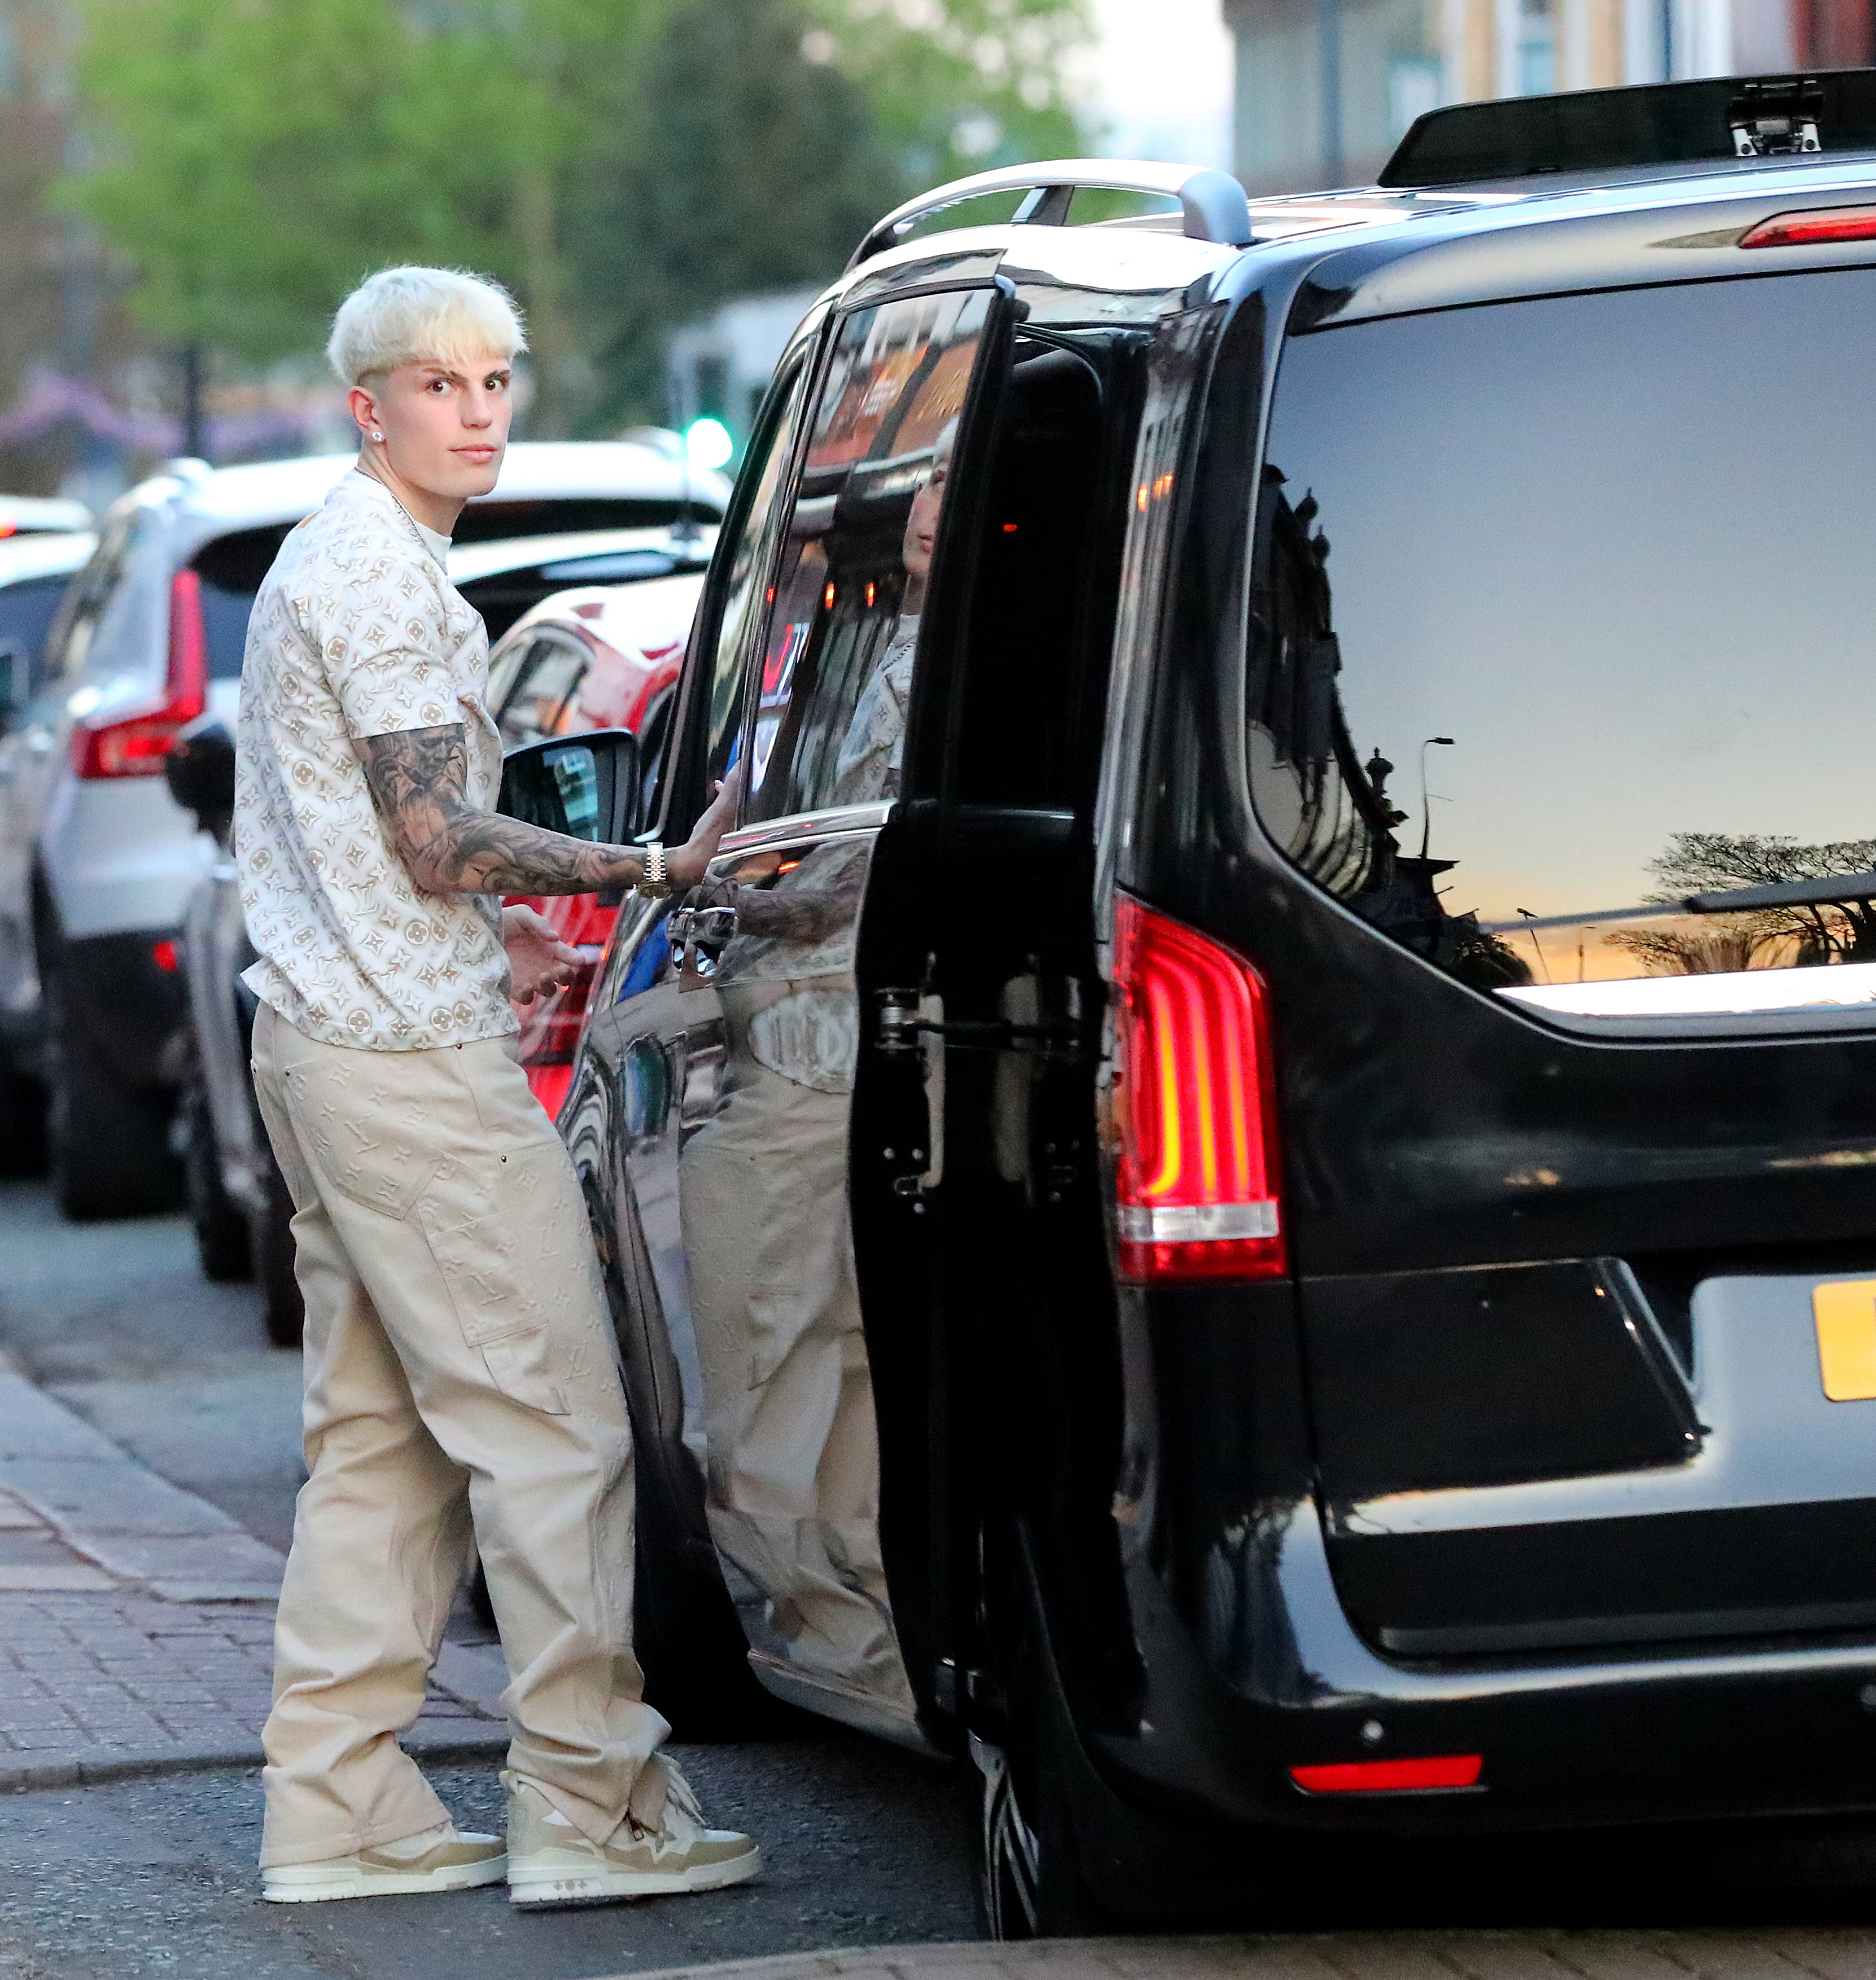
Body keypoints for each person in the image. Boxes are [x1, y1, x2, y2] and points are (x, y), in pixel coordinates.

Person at [234, 265, 753, 1908]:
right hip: (403, 1072)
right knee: (557, 1427)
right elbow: (433, 834)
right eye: (438, 385)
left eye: (495, 380)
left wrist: (497, 950)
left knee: (384, 1443)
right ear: (366, 406)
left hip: (333, 1042)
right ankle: (586, 1802)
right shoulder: (383, 579)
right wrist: (652, 861)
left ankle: (335, 1808)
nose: (478, 412)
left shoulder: (345, 557)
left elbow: (380, 863)